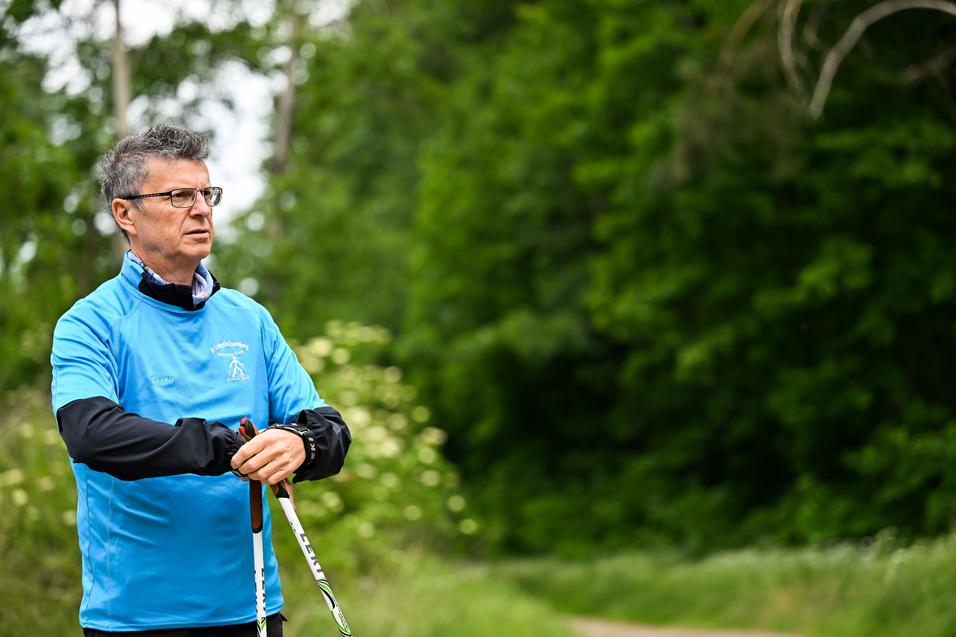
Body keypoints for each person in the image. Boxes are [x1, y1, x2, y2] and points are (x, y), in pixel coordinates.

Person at [50, 123, 351, 636]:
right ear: (126, 213)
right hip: (135, 619)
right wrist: (224, 447)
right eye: (178, 195)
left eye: (206, 193)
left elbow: (328, 428)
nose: (202, 209)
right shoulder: (90, 321)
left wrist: (298, 442)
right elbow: (92, 433)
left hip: (252, 609)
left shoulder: (248, 318)